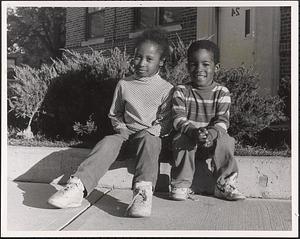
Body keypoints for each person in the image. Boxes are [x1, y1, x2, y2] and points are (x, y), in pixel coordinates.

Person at [48, 28, 174, 218]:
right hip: (126, 136)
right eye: (138, 57)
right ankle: (78, 188)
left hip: (149, 140)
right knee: (108, 141)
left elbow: (166, 121)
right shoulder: (124, 84)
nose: (141, 63)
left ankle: (142, 195)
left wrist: (150, 132)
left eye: (149, 59)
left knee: (150, 140)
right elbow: (115, 113)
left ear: (161, 62)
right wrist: (121, 129)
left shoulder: (167, 89)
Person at [169, 40, 246, 201]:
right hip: (188, 141)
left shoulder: (222, 92)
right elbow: (178, 119)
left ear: (216, 67)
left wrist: (210, 135)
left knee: (226, 139)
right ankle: (181, 184)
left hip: (211, 144)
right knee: (180, 137)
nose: (199, 69)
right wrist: (193, 132)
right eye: (193, 64)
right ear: (187, 66)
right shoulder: (181, 91)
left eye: (205, 64)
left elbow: (222, 122)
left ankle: (224, 183)